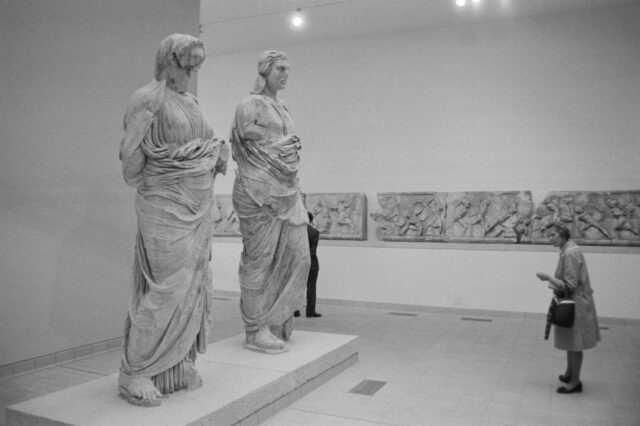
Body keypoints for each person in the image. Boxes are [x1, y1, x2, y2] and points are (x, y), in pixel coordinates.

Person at [117, 34, 228, 406]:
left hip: (198, 205)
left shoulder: (191, 102)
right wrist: (132, 139)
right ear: (169, 60)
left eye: (198, 64)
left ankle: (175, 367)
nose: (193, 71)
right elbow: (132, 172)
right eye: (188, 63)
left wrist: (217, 152)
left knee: (196, 284)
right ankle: (135, 370)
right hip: (163, 204)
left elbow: (204, 147)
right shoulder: (148, 98)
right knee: (170, 287)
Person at [230, 50, 309, 353]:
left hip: (287, 189)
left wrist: (290, 147)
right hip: (257, 190)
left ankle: (278, 316)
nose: (285, 74)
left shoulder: (283, 106)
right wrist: (282, 146)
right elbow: (244, 147)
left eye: (288, 68)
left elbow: (277, 144)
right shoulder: (249, 104)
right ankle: (255, 329)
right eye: (280, 68)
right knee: (259, 261)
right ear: (264, 70)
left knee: (300, 256)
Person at [536, 222, 601, 394]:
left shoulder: (570, 253)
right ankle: (569, 373)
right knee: (570, 341)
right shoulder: (568, 250)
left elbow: (570, 285)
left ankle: (575, 381)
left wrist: (548, 278)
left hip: (576, 303)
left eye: (552, 235)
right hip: (573, 301)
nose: (549, 239)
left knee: (575, 344)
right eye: (548, 235)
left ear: (563, 234)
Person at [295, 212, 322, 318]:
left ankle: (295, 310)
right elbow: (313, 251)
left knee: (297, 288)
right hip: (312, 264)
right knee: (311, 288)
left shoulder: (296, 232)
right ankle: (310, 311)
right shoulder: (314, 232)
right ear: (311, 220)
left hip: (298, 263)